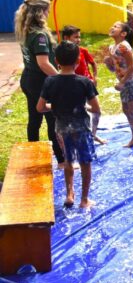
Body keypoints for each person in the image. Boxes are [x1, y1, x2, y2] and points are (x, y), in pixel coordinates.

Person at [36, 41, 100, 209]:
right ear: (78, 61)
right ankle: (84, 199)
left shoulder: (50, 81)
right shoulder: (84, 82)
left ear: (56, 60)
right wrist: (83, 106)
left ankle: (69, 195)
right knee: (85, 162)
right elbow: (95, 108)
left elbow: (40, 107)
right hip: (81, 129)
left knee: (68, 160)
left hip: (61, 128)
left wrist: (54, 106)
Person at [14, 0, 72, 167]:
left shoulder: (25, 27)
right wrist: (63, 79)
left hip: (28, 80)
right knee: (53, 120)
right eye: (46, 9)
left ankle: (33, 155)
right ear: (40, 13)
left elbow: (33, 3)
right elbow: (44, 63)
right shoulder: (39, 35)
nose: (48, 12)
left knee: (34, 118)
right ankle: (62, 160)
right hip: (41, 83)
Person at [103, 21, 133, 151]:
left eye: (116, 27)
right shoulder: (112, 47)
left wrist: (122, 82)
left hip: (132, 82)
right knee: (126, 110)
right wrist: (109, 64)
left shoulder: (124, 46)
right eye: (112, 25)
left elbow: (132, 66)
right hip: (125, 83)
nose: (112, 27)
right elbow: (116, 68)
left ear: (123, 34)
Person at [61, 24, 105, 144]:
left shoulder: (83, 51)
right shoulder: (62, 54)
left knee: (97, 111)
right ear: (66, 38)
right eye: (75, 37)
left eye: (79, 37)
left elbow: (93, 63)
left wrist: (95, 77)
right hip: (74, 86)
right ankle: (77, 137)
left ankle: (93, 134)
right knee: (77, 113)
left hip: (88, 83)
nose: (78, 40)